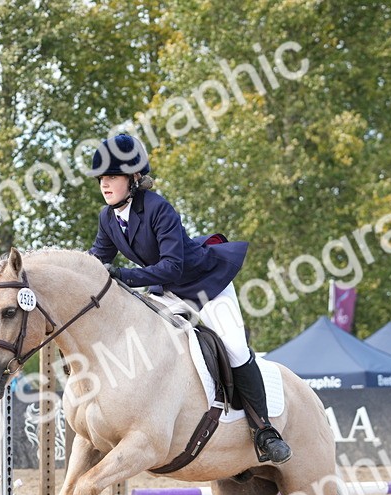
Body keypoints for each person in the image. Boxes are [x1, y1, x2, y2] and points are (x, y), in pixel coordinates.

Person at [87, 133, 291, 464]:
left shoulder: (158, 208)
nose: (105, 185)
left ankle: (265, 431)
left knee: (235, 348)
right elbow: (98, 260)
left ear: (134, 178)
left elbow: (171, 266)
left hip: (204, 284)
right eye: (101, 179)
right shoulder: (107, 218)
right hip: (166, 291)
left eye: (112, 177)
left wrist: (123, 275)